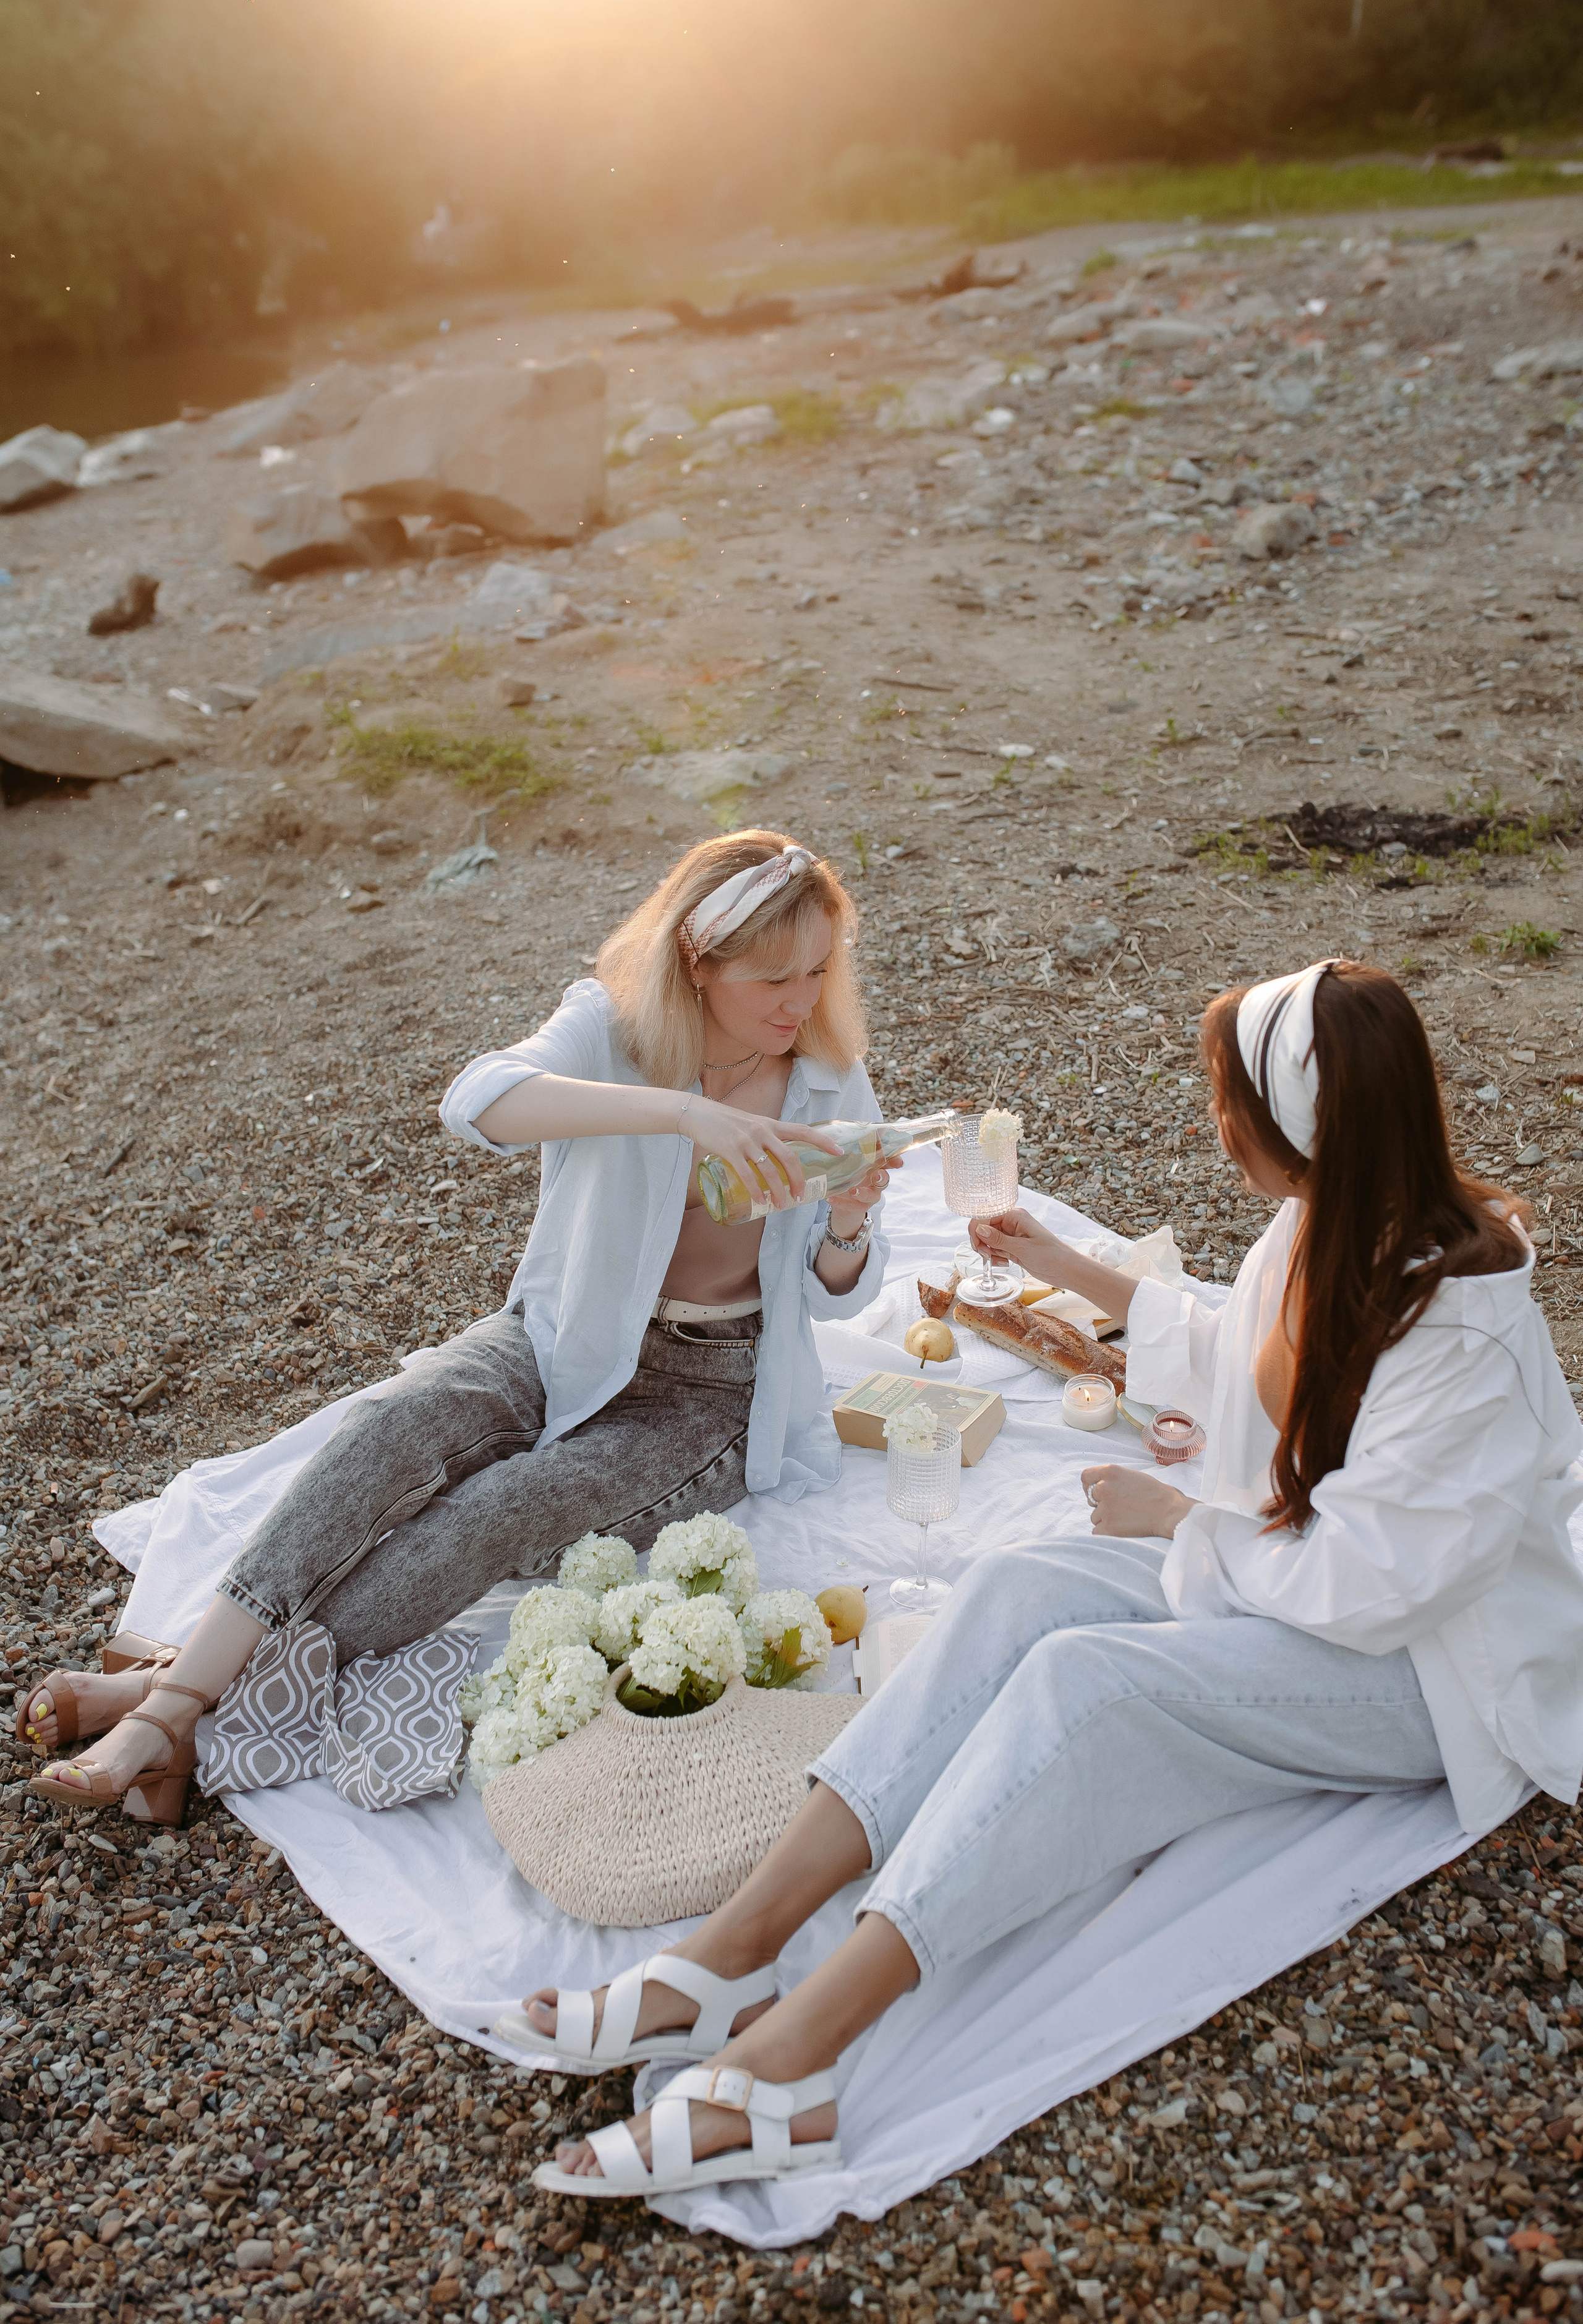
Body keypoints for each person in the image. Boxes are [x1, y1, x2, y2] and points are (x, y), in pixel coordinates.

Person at [509, 960, 1583, 2200]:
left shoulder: (1459, 1324)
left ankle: (792, 2065)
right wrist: (1065, 1267)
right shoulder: (1331, 1216)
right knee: (1021, 1591)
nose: (1212, 1124)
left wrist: (1187, 1521)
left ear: (1291, 1128)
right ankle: (726, 1955)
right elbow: (1241, 1345)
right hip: (1303, 1574)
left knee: (1087, 1684)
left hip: (1431, 1673)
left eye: (1224, 1102)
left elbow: (1373, 1588)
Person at [20, 832, 894, 1822]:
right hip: (567, 1329)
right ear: (697, 961)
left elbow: (838, 1294)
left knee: (497, 1513)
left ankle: (164, 1702)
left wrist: (853, 1218)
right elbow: (476, 1101)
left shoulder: (828, 1077)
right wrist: (681, 1115)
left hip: (713, 1391)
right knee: (389, 1425)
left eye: (821, 970)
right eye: (773, 977)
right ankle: (176, 1705)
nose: (801, 1001)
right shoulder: (610, 1029)